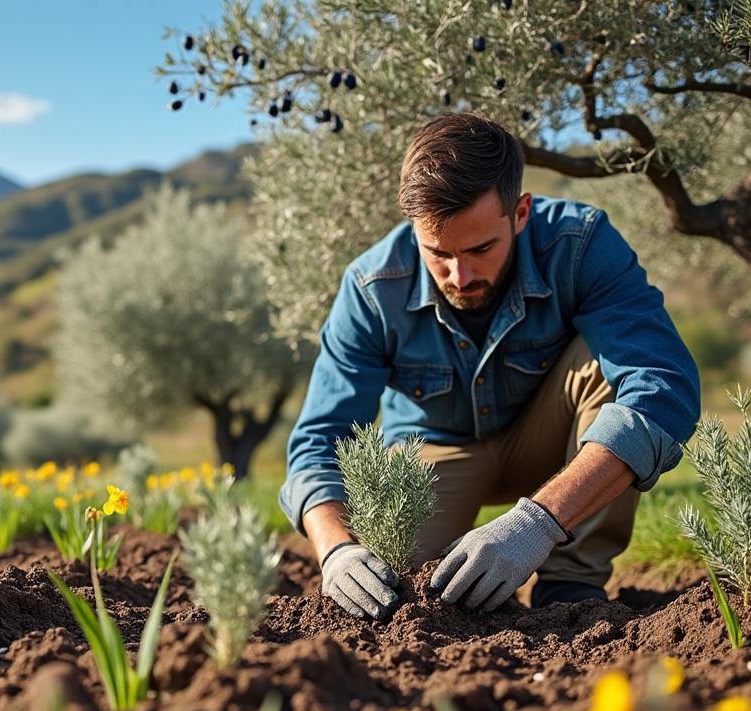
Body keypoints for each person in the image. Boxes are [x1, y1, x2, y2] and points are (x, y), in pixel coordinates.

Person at [278, 112, 700, 619]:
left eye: (481, 248)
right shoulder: (372, 288)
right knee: (402, 593)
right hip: (433, 454)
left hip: (554, 442)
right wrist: (336, 549)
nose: (461, 275)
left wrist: (538, 524)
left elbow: (662, 388)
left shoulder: (580, 244)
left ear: (520, 213)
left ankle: (569, 588)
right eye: (439, 253)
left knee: (609, 371)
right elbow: (318, 439)